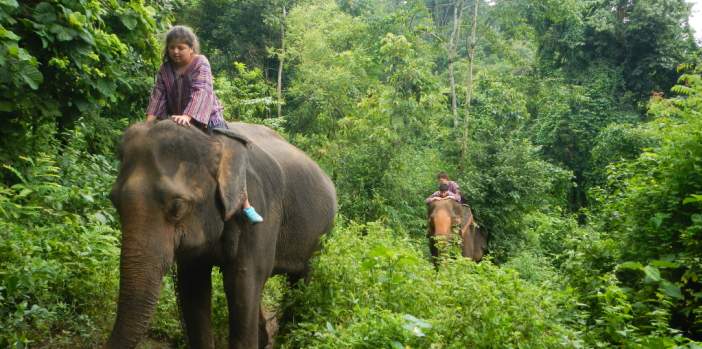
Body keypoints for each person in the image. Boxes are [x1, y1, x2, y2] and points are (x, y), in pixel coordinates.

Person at [145, 25, 263, 224]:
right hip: (177, 122)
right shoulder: (165, 69)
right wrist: (147, 123)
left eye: (181, 47)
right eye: (172, 47)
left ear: (191, 48)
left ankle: (245, 204)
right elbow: (158, 95)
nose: (175, 52)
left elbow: (202, 91)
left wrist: (189, 116)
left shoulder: (201, 63)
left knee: (230, 154)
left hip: (208, 119)